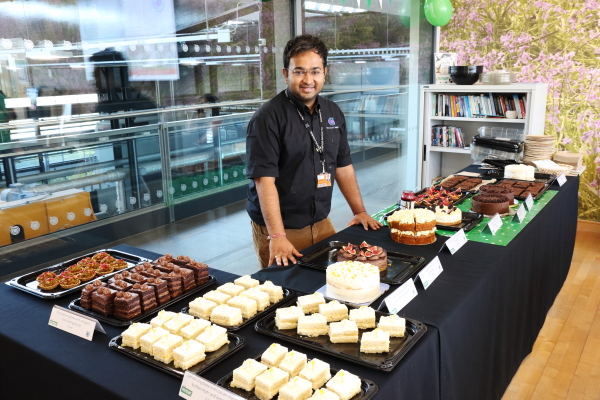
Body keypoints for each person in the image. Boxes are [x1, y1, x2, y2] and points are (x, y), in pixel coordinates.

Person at [246, 34, 382, 269]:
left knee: (333, 284)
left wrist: (359, 211)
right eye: (299, 71)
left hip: (321, 221)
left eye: (315, 71)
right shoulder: (267, 118)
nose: (307, 79)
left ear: (324, 73)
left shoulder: (332, 112)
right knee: (288, 294)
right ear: (285, 74)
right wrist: (277, 237)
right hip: (280, 228)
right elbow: (264, 181)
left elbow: (343, 165)